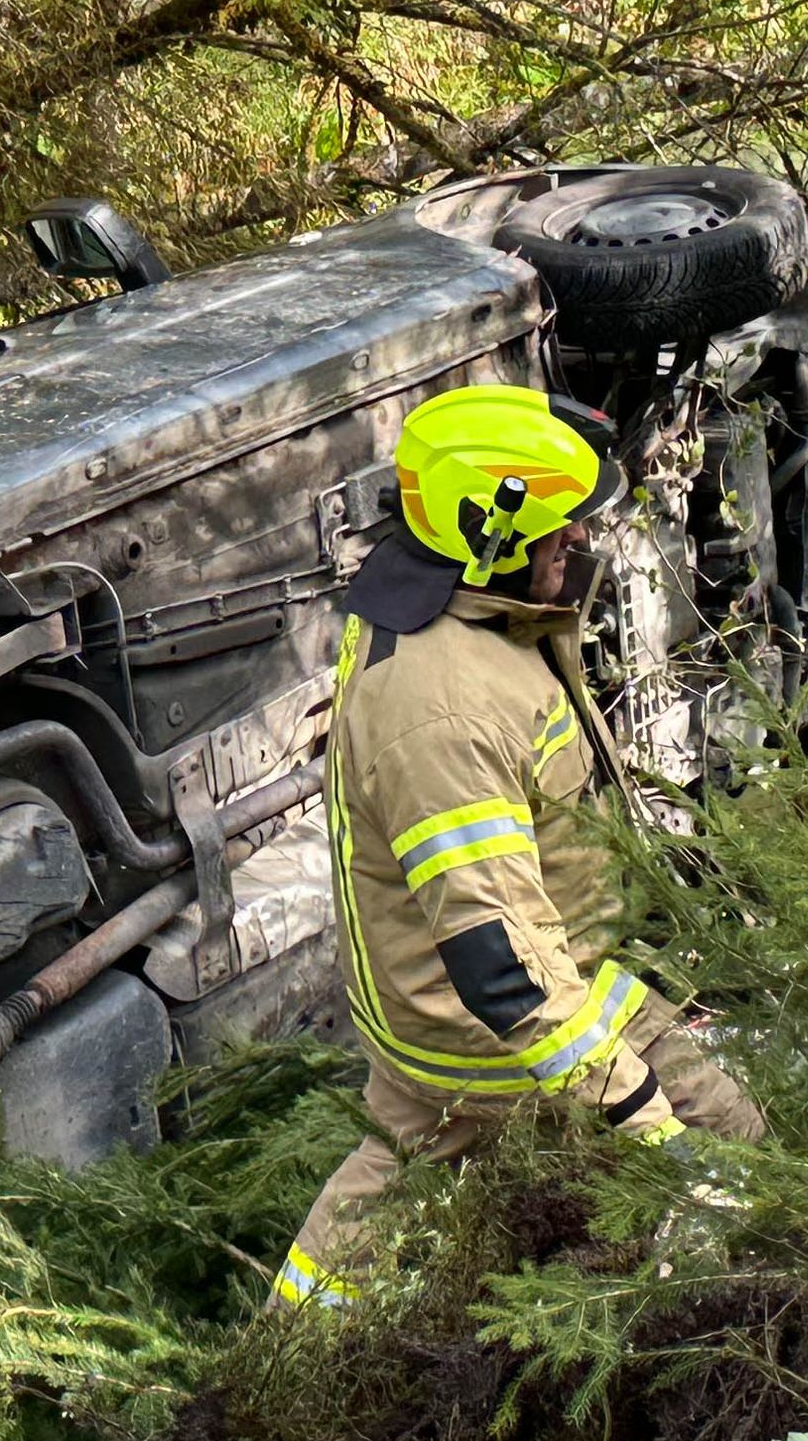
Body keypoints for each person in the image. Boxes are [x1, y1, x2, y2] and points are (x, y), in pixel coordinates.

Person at [274, 382, 761, 1309]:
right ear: (485, 535)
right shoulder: (443, 714)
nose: (579, 541)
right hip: (486, 1030)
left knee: (383, 1198)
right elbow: (505, 970)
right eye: (560, 529)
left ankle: (288, 1353)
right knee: (717, 1150)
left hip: (489, 990)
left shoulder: (451, 597)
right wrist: (645, 1121)